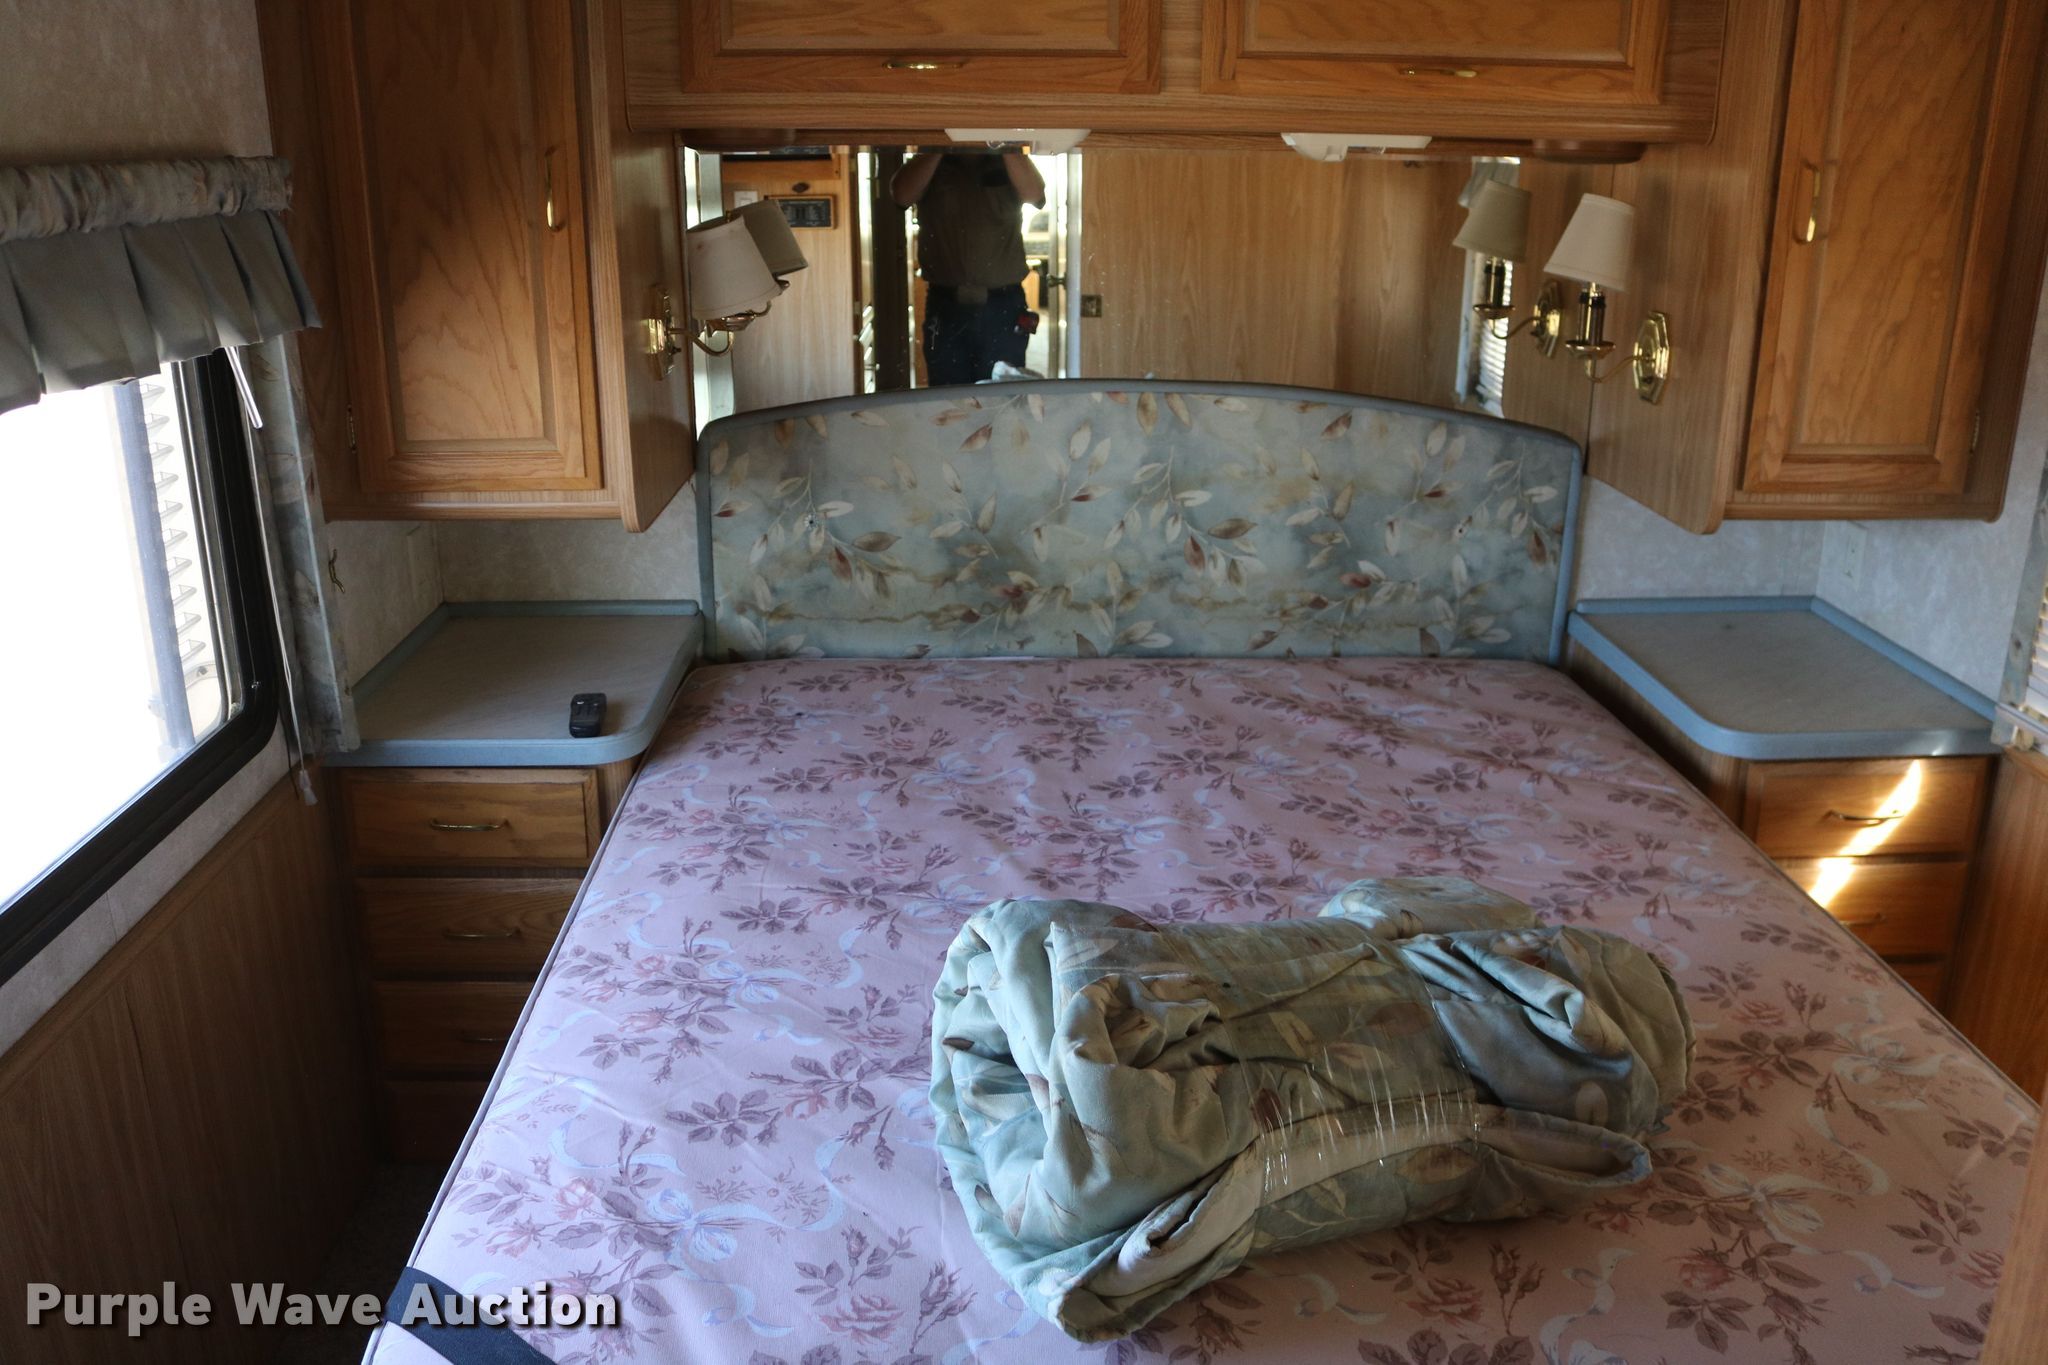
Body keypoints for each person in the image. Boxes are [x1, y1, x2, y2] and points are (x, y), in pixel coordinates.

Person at [890, 149, 1046, 386]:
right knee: (948, 396)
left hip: (1003, 305)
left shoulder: (1007, 159)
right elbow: (901, 195)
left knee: (1002, 395)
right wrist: (940, 144)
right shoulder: (931, 160)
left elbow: (1035, 195)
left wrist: (1001, 141)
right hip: (946, 305)